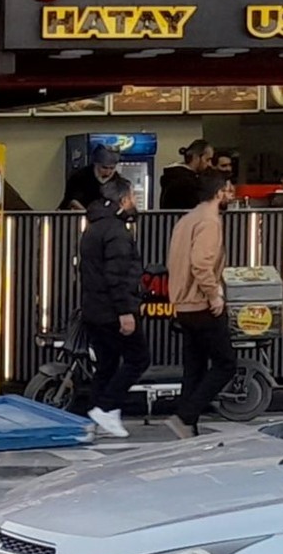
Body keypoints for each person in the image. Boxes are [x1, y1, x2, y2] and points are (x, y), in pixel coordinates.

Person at [166, 174, 239, 439]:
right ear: (219, 193)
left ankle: (187, 425)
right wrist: (214, 294)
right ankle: (185, 416)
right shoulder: (210, 222)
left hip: (182, 304)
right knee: (225, 363)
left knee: (194, 366)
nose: (232, 196)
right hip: (201, 303)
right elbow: (201, 263)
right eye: (229, 191)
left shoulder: (186, 220)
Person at [78, 174, 149, 439]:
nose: (135, 202)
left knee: (106, 364)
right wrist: (125, 312)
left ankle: (95, 418)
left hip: (93, 310)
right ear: (122, 200)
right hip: (113, 311)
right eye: (132, 197)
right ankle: (107, 409)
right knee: (138, 359)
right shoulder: (117, 232)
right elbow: (117, 276)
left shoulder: (93, 227)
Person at [61, 143, 121, 212]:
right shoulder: (80, 178)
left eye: (112, 168)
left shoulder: (118, 181)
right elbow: (72, 201)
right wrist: (90, 216)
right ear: (96, 164)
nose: (108, 172)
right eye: (104, 168)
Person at [159, 140, 212, 211]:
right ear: (196, 157)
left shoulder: (174, 176)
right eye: (207, 160)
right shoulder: (187, 182)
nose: (209, 164)